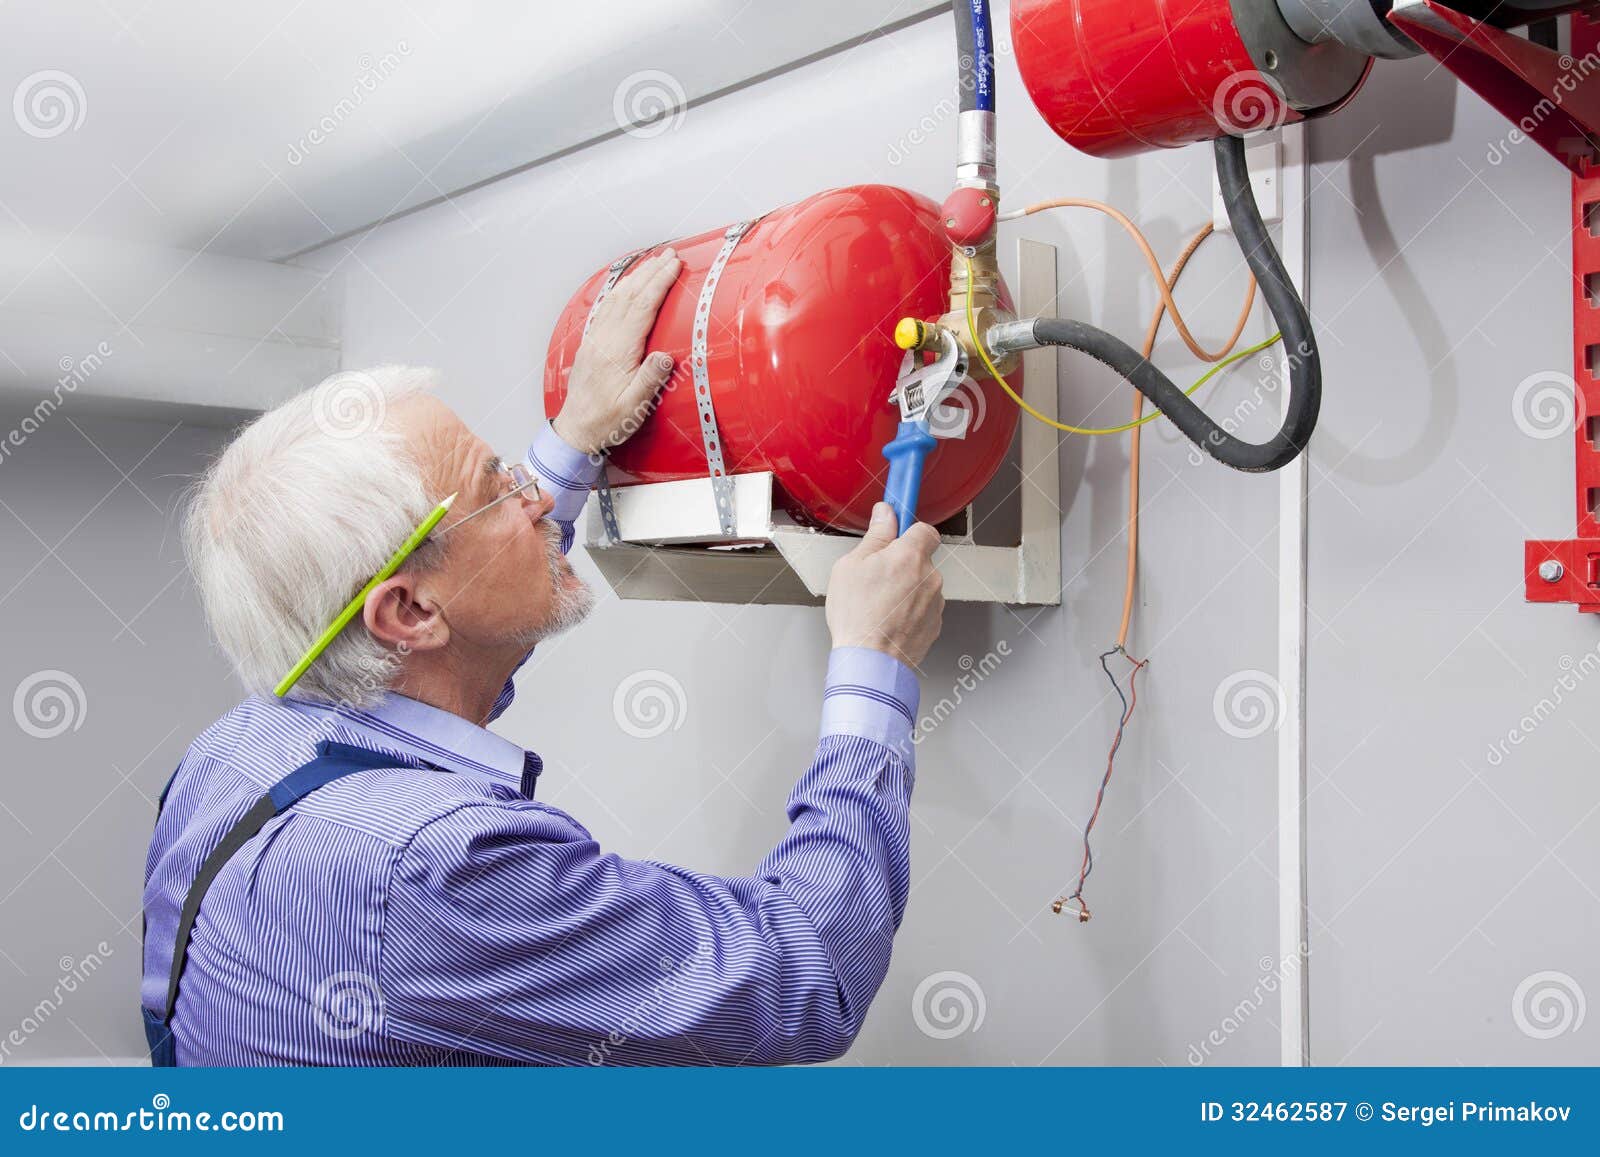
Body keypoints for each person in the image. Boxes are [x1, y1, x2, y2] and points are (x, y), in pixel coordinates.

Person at [141, 247, 946, 1065]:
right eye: (499, 489)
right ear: (408, 611)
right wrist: (873, 666)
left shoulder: (234, 755)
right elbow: (801, 976)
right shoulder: (438, 873)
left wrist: (577, 437)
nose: (534, 494)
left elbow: (458, 644)